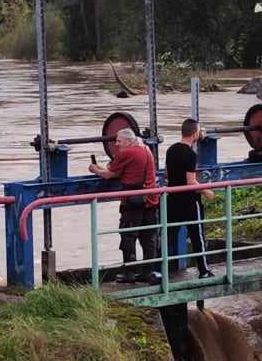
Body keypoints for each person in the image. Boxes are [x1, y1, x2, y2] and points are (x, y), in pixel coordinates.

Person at [90, 124, 159, 280]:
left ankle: (129, 273)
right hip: (151, 198)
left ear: (128, 141)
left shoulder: (127, 152)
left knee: (128, 236)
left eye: (119, 141)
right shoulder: (146, 149)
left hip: (134, 200)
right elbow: (122, 170)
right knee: (148, 237)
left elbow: (108, 174)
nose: (116, 144)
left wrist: (94, 169)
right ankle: (148, 272)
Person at [163, 117, 213, 279]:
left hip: (172, 199)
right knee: (197, 236)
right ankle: (203, 271)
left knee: (168, 235)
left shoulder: (170, 150)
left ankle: (159, 270)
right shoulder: (190, 154)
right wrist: (206, 191)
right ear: (195, 133)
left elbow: (166, 174)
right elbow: (190, 182)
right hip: (189, 202)